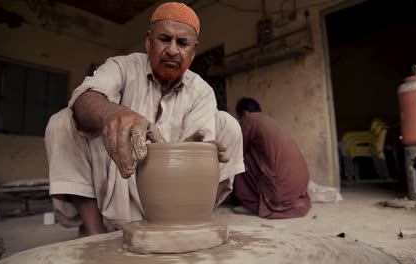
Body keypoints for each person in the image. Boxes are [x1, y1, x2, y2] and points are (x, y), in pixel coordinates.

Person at [44, 2, 245, 236]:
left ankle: (193, 219)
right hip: (116, 182)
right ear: (149, 41)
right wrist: (113, 114)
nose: (172, 50)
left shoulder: (201, 91)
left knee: (228, 124)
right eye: (164, 39)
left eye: (182, 43)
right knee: (62, 121)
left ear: (193, 51)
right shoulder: (122, 66)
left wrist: (190, 151)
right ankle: (94, 231)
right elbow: (84, 100)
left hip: (172, 189)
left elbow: (199, 144)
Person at [233, 97, 311, 219]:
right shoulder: (269, 120)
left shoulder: (249, 119)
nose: (240, 121)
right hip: (299, 187)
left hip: (279, 189)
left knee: (237, 158)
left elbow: (238, 149)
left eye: (239, 118)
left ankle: (251, 203)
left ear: (244, 113)